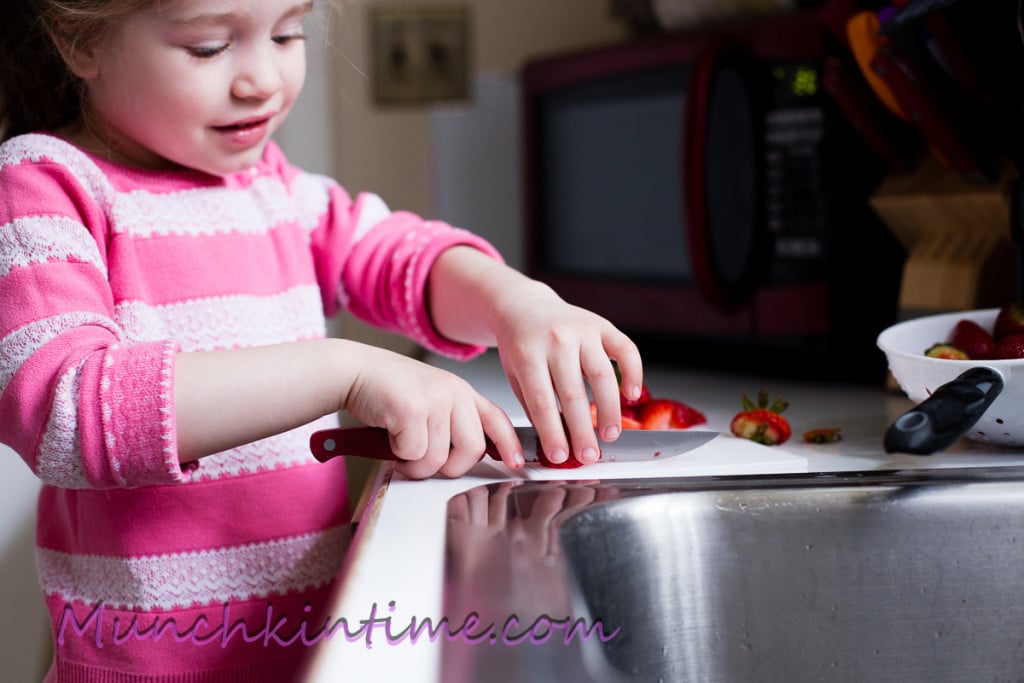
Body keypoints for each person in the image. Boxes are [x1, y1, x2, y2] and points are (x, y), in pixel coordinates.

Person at [0, 0, 643, 680]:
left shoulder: (272, 188)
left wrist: (516, 302)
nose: (262, 80)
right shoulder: (46, 185)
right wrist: (341, 369)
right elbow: (68, 411)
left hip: (312, 654)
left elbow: (400, 257)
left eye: (287, 34)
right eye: (209, 48)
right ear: (78, 40)